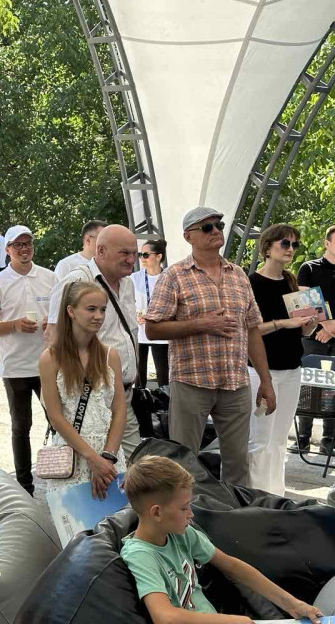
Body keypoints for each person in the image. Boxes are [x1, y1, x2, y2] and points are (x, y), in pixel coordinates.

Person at [145, 207, 275, 487]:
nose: (216, 230)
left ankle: (236, 513)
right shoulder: (174, 275)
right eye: (207, 227)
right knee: (183, 463)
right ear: (188, 236)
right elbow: (152, 329)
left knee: (238, 463)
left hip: (235, 382)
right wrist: (201, 324)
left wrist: (266, 381)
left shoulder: (238, 275)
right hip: (192, 382)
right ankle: (186, 514)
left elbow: (252, 330)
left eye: (219, 225)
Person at [120, 456, 324, 624]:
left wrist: (292, 604)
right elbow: (165, 617)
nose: (191, 513)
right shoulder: (141, 555)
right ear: (156, 513)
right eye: (184, 508)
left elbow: (232, 566)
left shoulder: (182, 534)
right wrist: (234, 621)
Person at [47, 224, 142, 459]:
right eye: (124, 253)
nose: (131, 260)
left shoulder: (128, 284)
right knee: (88, 464)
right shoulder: (77, 281)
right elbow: (54, 335)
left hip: (122, 394)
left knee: (130, 464)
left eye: (134, 253)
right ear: (100, 250)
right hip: (85, 397)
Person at [0, 225, 57, 496]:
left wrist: (52, 323)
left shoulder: (50, 277)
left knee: (59, 422)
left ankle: (61, 477)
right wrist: (14, 325)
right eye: (18, 245)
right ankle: (25, 486)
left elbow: (65, 315)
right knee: (21, 426)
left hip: (48, 363)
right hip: (15, 366)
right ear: (8, 250)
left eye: (28, 244)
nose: (24, 249)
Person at [246, 224, 316, 496]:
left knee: (279, 438)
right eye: (285, 243)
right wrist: (282, 323)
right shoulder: (251, 283)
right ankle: (256, 495)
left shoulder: (291, 281)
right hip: (260, 369)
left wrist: (309, 325)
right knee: (259, 438)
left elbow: (303, 330)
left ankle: (276, 495)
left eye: (294, 245)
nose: (290, 249)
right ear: (267, 247)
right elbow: (248, 329)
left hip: (291, 367)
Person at [39, 281, 125, 499]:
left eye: (103, 309)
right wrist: (92, 458)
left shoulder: (110, 356)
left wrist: (107, 457)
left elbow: (119, 411)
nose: (98, 316)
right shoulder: (51, 358)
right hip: (72, 455)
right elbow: (55, 417)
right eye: (91, 309)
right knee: (73, 518)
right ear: (71, 311)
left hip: (109, 453)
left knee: (113, 517)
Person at [295, 224, 335, 454]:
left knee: (333, 390)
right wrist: (327, 326)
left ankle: (329, 441)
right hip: (312, 337)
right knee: (308, 387)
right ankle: (303, 437)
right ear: (327, 243)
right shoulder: (309, 268)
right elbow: (305, 303)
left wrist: (332, 329)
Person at [132, 239, 170, 388]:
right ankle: (139, 399)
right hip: (140, 330)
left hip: (161, 330)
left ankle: (164, 399)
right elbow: (127, 302)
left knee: (163, 372)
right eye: (140, 255)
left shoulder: (169, 277)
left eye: (146, 255)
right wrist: (135, 315)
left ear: (159, 256)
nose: (142, 259)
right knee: (138, 372)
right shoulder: (134, 278)